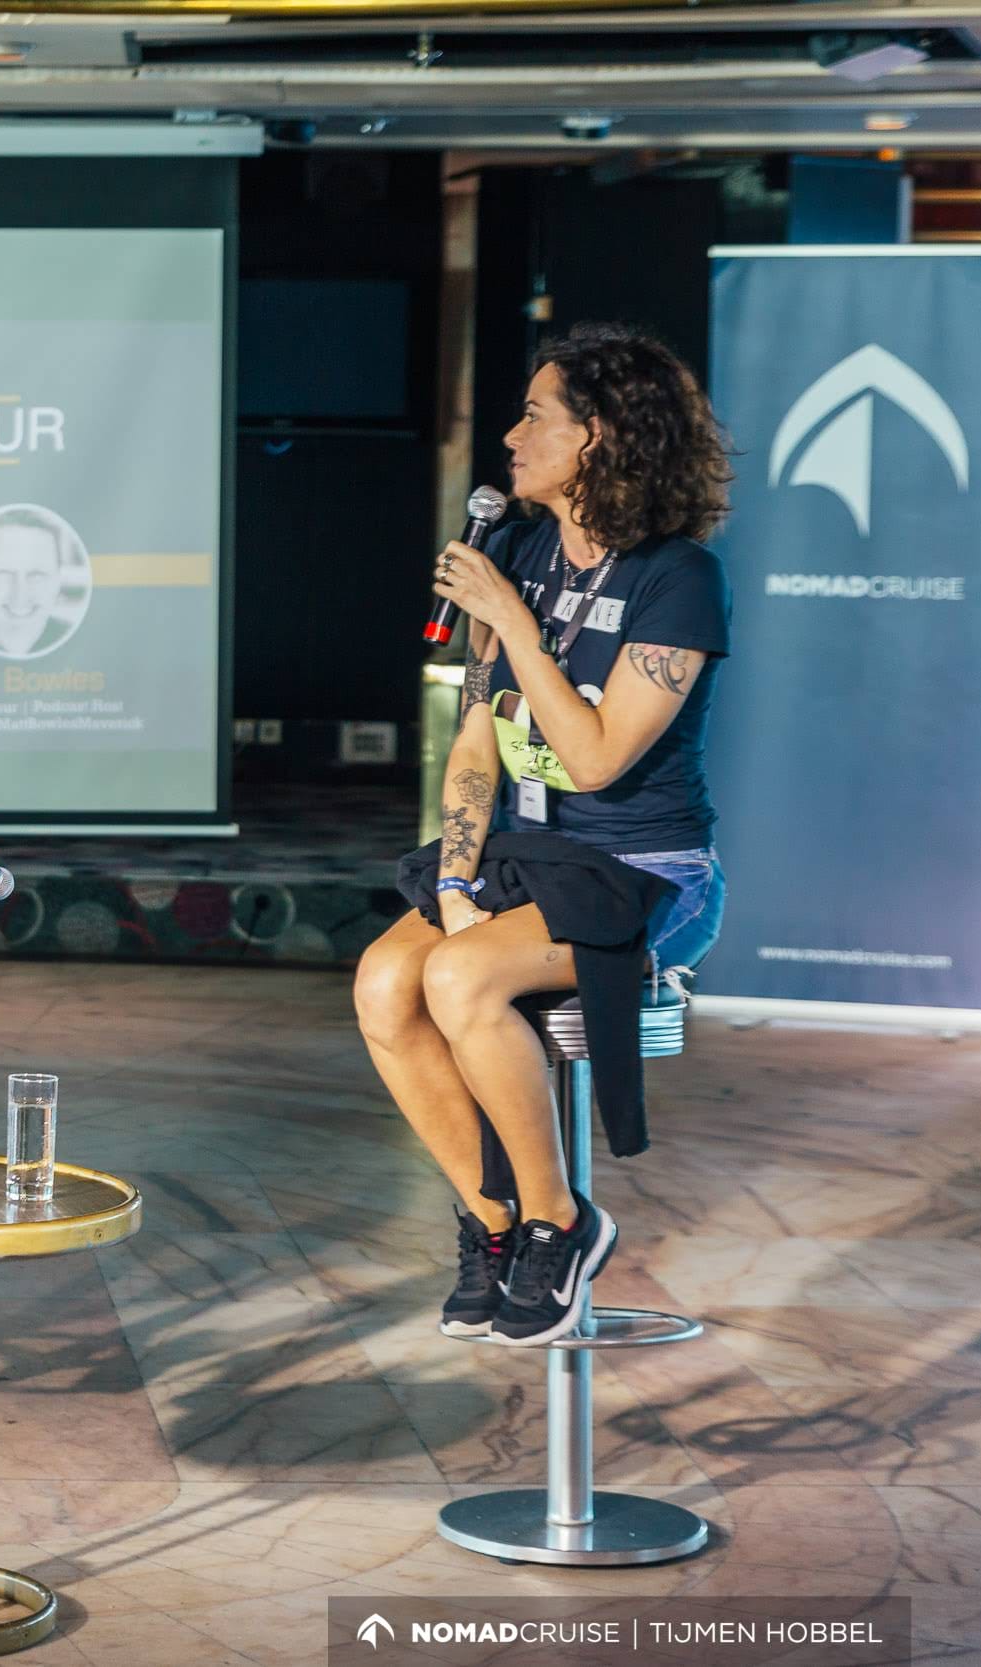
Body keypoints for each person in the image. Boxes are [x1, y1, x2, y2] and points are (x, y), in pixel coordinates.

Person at [353, 323, 733, 1348]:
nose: (511, 438)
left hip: (644, 870)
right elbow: (476, 739)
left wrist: (515, 623)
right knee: (385, 980)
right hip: (527, 860)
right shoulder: (516, 551)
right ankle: (493, 1223)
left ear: (597, 435)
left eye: (534, 416)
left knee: (461, 977)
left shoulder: (678, 578)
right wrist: (458, 879)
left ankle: (560, 1222)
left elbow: (598, 759)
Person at [0, 509, 82, 657]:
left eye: (36, 575)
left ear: (58, 580)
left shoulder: (82, 644)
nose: (20, 595)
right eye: (4, 573)